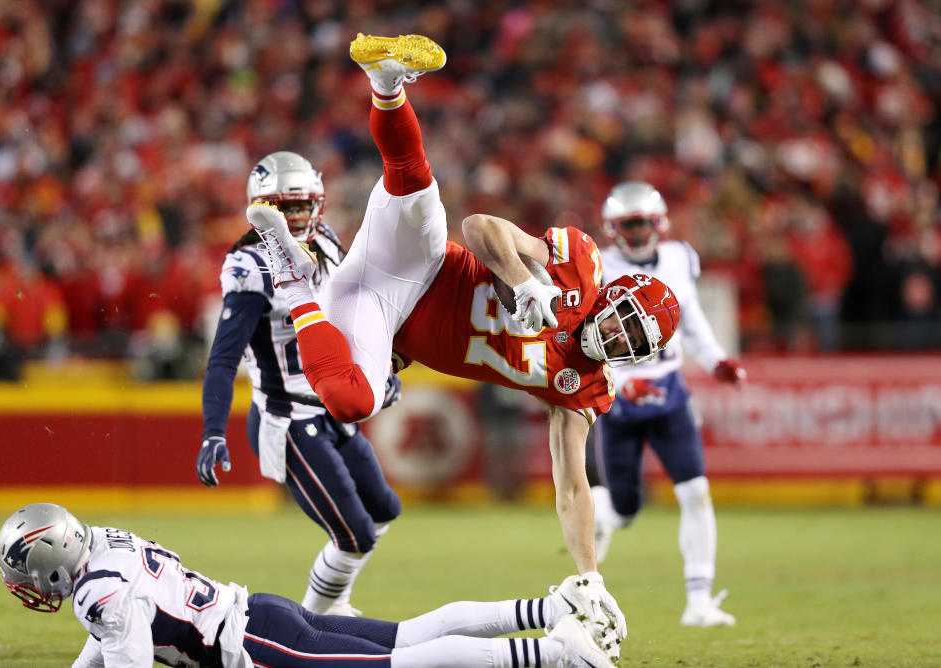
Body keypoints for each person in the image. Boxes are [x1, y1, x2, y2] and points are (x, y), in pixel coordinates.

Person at [240, 33, 681, 635]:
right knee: (414, 183)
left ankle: (294, 284)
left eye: (634, 341)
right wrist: (524, 280)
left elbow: (574, 486)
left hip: (378, 314)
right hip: (420, 264)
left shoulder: (585, 388)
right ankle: (388, 83)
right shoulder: (577, 265)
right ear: (616, 296)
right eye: (626, 318)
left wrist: (589, 574)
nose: (620, 336)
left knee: (351, 402)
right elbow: (480, 227)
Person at [0, 502, 621, 668]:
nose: (27, 586)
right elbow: (103, 641)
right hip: (260, 611)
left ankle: (558, 651)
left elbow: (124, 657)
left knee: (404, 664)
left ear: (51, 561)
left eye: (26, 572)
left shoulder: (99, 594)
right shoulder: (104, 543)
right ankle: (550, 608)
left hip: (258, 648)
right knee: (406, 637)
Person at [197, 151, 403, 616]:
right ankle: (314, 623)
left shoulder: (328, 240)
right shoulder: (250, 265)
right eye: (282, 208)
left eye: (301, 205)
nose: (294, 217)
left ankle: (332, 608)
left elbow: (355, 316)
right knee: (355, 534)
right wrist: (213, 430)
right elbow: (224, 360)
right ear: (259, 208)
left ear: (319, 203)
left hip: (332, 404)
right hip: (288, 417)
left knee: (383, 509)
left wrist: (380, 370)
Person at [591, 181, 747, 627]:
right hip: (619, 402)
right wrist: (620, 382)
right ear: (613, 227)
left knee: (695, 491)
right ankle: (601, 528)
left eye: (644, 223)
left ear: (659, 223)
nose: (638, 233)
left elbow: (689, 314)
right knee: (623, 510)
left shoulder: (679, 258)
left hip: (670, 391)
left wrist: (716, 359)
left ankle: (699, 601)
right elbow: (586, 341)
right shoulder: (597, 266)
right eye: (630, 224)